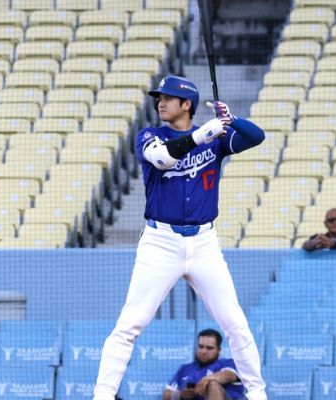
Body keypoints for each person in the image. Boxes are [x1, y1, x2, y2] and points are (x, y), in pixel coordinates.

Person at [92, 76, 267, 400]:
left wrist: (232, 120)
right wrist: (204, 133)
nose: (161, 102)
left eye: (169, 98)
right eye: (159, 97)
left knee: (235, 324)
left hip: (204, 243)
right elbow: (162, 159)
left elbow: (257, 137)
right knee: (129, 325)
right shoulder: (151, 135)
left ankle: (258, 395)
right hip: (161, 242)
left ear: (187, 104)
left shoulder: (215, 138)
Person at [162, 329, 245, 400]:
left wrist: (205, 380)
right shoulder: (185, 369)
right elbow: (166, 394)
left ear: (219, 350)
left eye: (209, 348)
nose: (203, 351)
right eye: (201, 347)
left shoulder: (228, 363)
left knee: (213, 384)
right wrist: (180, 395)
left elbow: (229, 375)